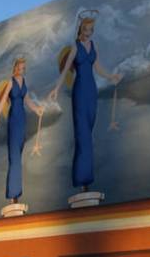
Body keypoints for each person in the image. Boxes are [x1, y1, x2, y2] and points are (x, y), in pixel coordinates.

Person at [48, 10, 122, 192]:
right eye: (86, 29)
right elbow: (66, 70)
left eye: (91, 29)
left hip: (91, 91)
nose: (88, 32)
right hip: (80, 91)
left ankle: (86, 181)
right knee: (82, 136)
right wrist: (56, 89)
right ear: (81, 28)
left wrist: (112, 76)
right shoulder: (75, 47)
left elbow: (97, 67)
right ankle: (83, 181)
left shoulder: (93, 46)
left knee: (88, 133)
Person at [0, 57, 43, 203]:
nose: (22, 70)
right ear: (15, 68)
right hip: (13, 118)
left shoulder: (24, 82)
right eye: (20, 68)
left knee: (18, 155)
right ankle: (13, 195)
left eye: (24, 68)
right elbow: (3, 100)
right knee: (14, 157)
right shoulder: (10, 82)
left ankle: (16, 194)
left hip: (22, 119)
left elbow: (27, 100)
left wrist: (37, 109)